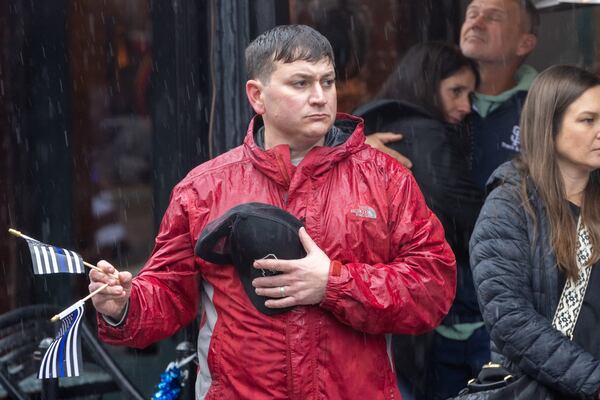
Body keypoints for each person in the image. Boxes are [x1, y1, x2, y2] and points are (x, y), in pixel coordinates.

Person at [87, 25, 457, 399]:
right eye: (300, 83)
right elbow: (168, 294)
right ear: (257, 96)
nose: (320, 97)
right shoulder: (203, 188)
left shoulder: (384, 178)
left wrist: (333, 284)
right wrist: (123, 306)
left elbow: (434, 289)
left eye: (327, 82)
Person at [354, 42, 485, 400]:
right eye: (455, 91)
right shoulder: (426, 135)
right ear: (425, 85)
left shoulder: (361, 128)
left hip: (365, 292)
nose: (465, 106)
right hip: (412, 296)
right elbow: (467, 216)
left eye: (471, 94)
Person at [470, 65, 600, 399]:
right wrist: (593, 380)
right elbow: (510, 320)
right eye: (588, 120)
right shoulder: (508, 204)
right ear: (549, 125)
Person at [367, 0, 540, 187]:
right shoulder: (422, 96)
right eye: (472, 14)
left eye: (493, 17)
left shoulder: (545, 106)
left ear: (525, 43)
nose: (476, 23)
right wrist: (354, 148)